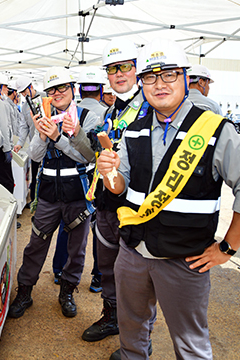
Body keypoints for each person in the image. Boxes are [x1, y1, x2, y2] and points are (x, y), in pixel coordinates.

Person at [97, 38, 240, 360]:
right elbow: (121, 187)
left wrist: (227, 248)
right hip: (132, 252)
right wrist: (109, 173)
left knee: (190, 346)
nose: (159, 84)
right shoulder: (134, 129)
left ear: (185, 77)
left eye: (169, 74)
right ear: (141, 83)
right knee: (131, 331)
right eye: (150, 77)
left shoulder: (214, 129)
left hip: (184, 260)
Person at [8, 67, 99, 319]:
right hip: (48, 192)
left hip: (77, 194)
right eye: (51, 90)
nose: (57, 93)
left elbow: (89, 156)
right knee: (36, 243)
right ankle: (24, 292)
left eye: (62, 88)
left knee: (76, 248)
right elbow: (35, 156)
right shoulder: (43, 115)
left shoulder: (87, 117)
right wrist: (40, 134)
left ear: (73, 90)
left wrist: (58, 137)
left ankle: (67, 292)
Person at [82, 38, 149, 345]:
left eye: (125, 67)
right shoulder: (113, 109)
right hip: (107, 201)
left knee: (138, 276)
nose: (119, 74)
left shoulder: (151, 105)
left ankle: (138, 341)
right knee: (107, 266)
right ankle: (111, 317)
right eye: (113, 69)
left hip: (137, 205)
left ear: (138, 69)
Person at [53, 65, 107, 290]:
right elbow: (94, 152)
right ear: (101, 91)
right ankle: (98, 277)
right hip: (93, 180)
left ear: (78, 90)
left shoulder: (67, 112)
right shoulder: (101, 113)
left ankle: (59, 270)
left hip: (72, 182)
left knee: (68, 227)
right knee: (95, 230)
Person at [14, 76, 45, 205]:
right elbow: (23, 126)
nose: (23, 95)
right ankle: (34, 201)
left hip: (51, 146)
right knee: (34, 175)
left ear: (31, 87)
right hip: (35, 146)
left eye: (24, 92)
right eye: (21, 93)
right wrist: (20, 143)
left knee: (46, 176)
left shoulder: (45, 98)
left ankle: (45, 202)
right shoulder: (25, 105)